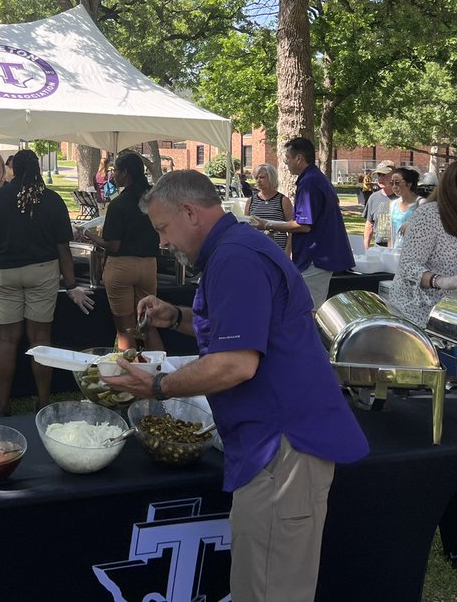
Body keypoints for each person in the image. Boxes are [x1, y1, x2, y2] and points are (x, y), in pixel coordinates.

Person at [103, 170, 368, 602]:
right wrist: (174, 315)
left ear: (189, 212)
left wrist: (158, 386)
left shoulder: (234, 258)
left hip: (283, 446)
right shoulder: (237, 247)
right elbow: (237, 328)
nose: (163, 243)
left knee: (268, 590)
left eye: (163, 229)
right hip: (281, 440)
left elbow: (236, 363)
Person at [0, 150, 93, 415]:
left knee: (8, 340)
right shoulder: (53, 200)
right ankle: (43, 402)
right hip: (42, 272)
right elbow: (63, 248)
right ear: (37, 169)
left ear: (13, 170)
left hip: (3, 274)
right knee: (40, 340)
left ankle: (3, 405)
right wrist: (71, 286)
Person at [248, 137, 353, 308]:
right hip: (316, 256)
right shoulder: (315, 178)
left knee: (305, 309)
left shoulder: (310, 182)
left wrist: (267, 224)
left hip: (316, 258)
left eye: (288, 158)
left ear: (299, 158)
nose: (286, 162)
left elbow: (303, 225)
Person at [77, 151, 162, 351]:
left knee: (125, 328)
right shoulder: (154, 199)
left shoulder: (119, 204)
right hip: (149, 265)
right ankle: (160, 370)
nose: (113, 174)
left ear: (125, 173)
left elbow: (112, 245)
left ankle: (130, 376)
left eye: (115, 170)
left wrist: (90, 235)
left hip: (121, 267)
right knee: (149, 324)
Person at [388, 159, 457, 327]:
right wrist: (440, 281)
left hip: (449, 314)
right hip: (416, 314)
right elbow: (408, 265)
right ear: (451, 189)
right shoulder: (429, 215)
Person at [246, 162, 293, 254]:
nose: (258, 180)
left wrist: (287, 252)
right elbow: (246, 228)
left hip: (278, 250)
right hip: (256, 250)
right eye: (256, 178)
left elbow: (292, 229)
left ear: (271, 178)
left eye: (262, 177)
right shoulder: (251, 201)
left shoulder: (283, 200)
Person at [361, 160, 397, 249]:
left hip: (398, 249)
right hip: (379, 248)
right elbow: (369, 223)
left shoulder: (403, 198)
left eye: (384, 175)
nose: (381, 178)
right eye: (379, 175)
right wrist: (365, 247)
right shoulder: (373, 198)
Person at [388, 166, 422, 248]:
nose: (394, 187)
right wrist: (389, 250)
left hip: (414, 252)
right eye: (392, 183)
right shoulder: (393, 204)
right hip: (395, 253)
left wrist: (411, 223)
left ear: (409, 184)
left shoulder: (421, 203)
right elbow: (390, 230)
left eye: (397, 183)